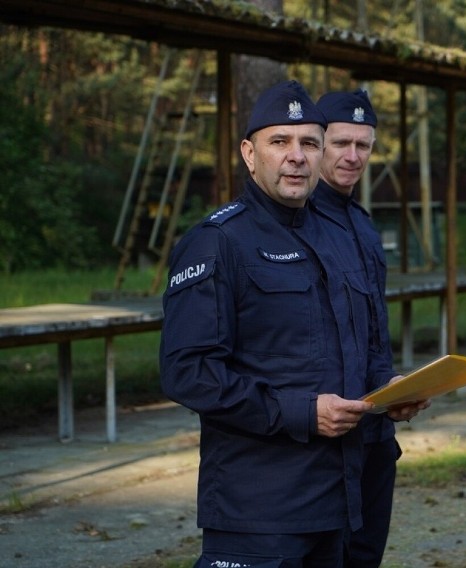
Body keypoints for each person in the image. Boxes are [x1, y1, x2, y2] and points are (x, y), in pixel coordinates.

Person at [159, 80, 425, 568]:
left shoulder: (338, 236)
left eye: (308, 143)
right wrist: (303, 412)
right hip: (260, 506)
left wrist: (386, 392)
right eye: (279, 142)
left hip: (338, 497)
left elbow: (348, 346)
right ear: (249, 152)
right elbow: (188, 372)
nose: (296, 156)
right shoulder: (218, 242)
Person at [312, 88, 403, 567]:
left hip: (374, 429)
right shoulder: (299, 221)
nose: (352, 156)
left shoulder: (363, 225)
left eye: (363, 146)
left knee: (366, 555)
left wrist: (392, 388)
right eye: (340, 143)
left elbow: (372, 328)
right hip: (329, 431)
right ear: (318, 143)